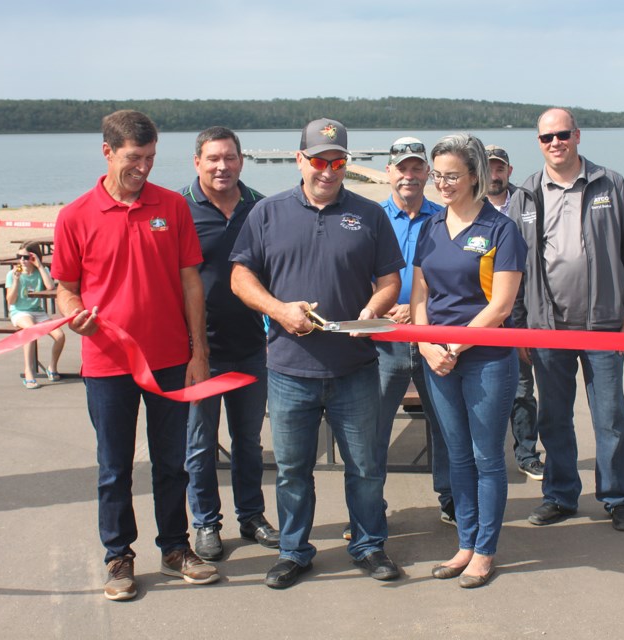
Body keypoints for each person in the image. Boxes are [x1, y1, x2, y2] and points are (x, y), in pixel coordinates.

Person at [230, 118, 404, 589]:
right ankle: (294, 552)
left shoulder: (369, 215)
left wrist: (370, 311)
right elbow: (241, 278)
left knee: (366, 468)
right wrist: (279, 310)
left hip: (356, 369)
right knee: (291, 472)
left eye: (339, 161)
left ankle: (368, 546)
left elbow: (390, 281)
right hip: (289, 369)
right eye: (319, 160)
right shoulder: (266, 213)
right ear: (300, 159)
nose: (329, 170)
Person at [52, 110, 218, 602]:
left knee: (172, 463)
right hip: (106, 364)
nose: (143, 167)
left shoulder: (172, 206)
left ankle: (175, 548)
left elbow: (192, 282)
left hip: (170, 359)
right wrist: (74, 312)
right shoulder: (75, 216)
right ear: (107, 152)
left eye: (149, 157)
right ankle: (118, 556)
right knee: (113, 467)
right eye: (133, 158)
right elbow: (65, 289)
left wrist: (199, 350)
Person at [507, 107, 624, 531]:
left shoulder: (610, 184)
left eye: (562, 134)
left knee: (610, 417)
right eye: (547, 137)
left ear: (578, 135)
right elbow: (510, 268)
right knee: (554, 417)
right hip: (547, 327)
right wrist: (519, 327)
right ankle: (561, 495)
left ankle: (618, 497)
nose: (556, 143)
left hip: (605, 325)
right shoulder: (526, 195)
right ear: (538, 143)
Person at [412, 133, 526, 588]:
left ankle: (484, 550)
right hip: (435, 356)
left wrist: (454, 347)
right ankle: (465, 541)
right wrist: (424, 344)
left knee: (486, 457)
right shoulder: (430, 227)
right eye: (437, 175)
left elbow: (500, 306)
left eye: (451, 175)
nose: (442, 183)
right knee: (456, 456)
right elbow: (420, 293)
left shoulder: (501, 229)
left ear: (475, 176)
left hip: (486, 359)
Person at [179, 126, 278, 561]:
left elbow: (273, 270)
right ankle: (205, 523)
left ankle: (252, 515)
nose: (223, 166)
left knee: (248, 440)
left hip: (251, 347)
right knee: (200, 444)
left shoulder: (260, 206)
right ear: (197, 161)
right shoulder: (180, 208)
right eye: (213, 158)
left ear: (241, 160)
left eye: (231, 158)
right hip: (198, 351)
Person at [376, 136, 454, 526]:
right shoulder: (372, 217)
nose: (409, 175)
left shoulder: (442, 220)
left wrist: (416, 308)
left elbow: (455, 279)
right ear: (389, 172)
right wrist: (382, 305)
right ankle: (369, 505)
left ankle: (451, 499)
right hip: (384, 341)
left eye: (416, 168)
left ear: (427, 173)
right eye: (401, 168)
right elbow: (356, 271)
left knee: (444, 422)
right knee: (372, 428)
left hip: (430, 336)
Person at [486, 144, 543, 480]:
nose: (494, 175)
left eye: (499, 168)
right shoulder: (470, 205)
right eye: (488, 168)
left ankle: (526, 453)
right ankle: (488, 457)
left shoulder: (528, 204)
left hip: (520, 312)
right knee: (486, 390)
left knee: (522, 390)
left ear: (508, 170)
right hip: (481, 312)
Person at [6, 241, 65, 388]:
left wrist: (39, 265)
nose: (22, 261)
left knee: (60, 336)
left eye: (26, 257)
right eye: (19, 257)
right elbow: (11, 301)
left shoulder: (40, 271)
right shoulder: (12, 274)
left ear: (34, 258)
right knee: (30, 331)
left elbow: (51, 286)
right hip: (19, 311)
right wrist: (16, 281)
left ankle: (52, 367)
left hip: (38, 312)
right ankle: (28, 372)